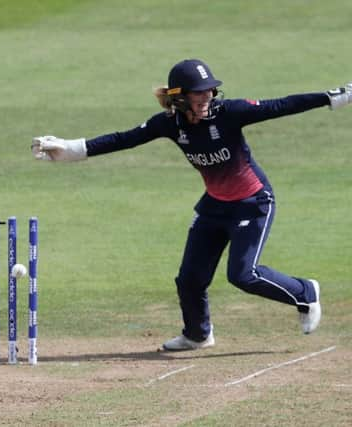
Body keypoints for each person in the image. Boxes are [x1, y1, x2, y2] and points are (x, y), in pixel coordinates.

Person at [32, 59, 352, 351]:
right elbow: (123, 139)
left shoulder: (230, 113)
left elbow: (281, 105)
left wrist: (330, 97)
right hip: (214, 205)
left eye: (209, 90)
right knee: (189, 279)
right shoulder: (170, 124)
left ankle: (304, 293)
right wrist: (70, 149)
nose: (207, 97)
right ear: (179, 97)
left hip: (253, 202)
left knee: (243, 274)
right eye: (198, 93)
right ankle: (198, 333)